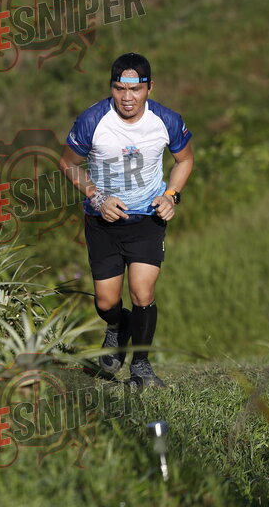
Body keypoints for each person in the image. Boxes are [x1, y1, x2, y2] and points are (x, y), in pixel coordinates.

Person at [59, 52, 194, 388]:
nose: (127, 97)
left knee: (142, 292)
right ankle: (117, 327)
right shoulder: (92, 120)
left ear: (149, 88)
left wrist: (171, 196)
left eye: (135, 89)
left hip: (147, 218)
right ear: (111, 88)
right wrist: (96, 196)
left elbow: (185, 160)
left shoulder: (166, 120)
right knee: (106, 302)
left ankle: (142, 366)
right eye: (119, 89)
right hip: (102, 221)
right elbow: (68, 163)